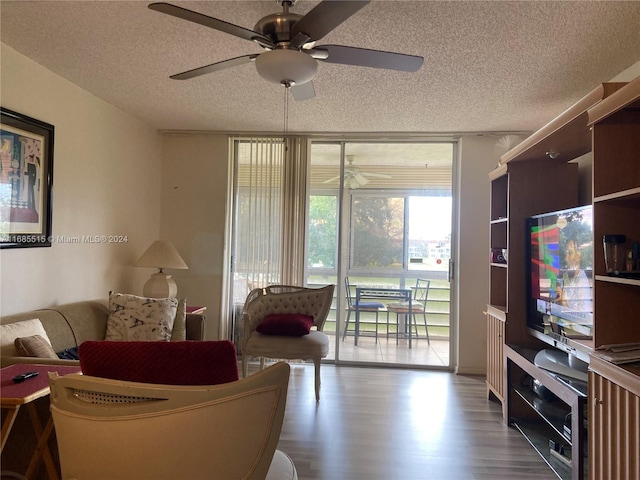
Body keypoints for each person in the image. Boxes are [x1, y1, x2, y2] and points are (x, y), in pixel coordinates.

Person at [555, 239, 592, 313]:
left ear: (578, 256)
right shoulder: (566, 276)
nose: (566, 258)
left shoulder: (582, 281)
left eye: (569, 253)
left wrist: (564, 302)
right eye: (566, 254)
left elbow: (581, 316)